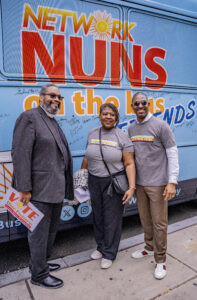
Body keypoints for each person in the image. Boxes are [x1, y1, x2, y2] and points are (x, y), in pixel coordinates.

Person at [11, 84, 74, 289]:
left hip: (55, 189)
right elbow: (20, 154)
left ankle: (40, 264)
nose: (56, 99)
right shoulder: (30, 117)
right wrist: (24, 188)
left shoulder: (51, 120)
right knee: (38, 235)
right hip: (38, 191)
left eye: (59, 97)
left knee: (50, 232)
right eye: (52, 96)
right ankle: (38, 275)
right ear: (41, 97)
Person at [128, 92, 179, 280]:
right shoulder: (131, 128)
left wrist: (171, 182)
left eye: (143, 103)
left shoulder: (161, 126)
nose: (140, 106)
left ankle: (161, 260)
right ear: (132, 106)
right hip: (140, 184)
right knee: (145, 219)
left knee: (159, 223)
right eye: (136, 104)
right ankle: (149, 248)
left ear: (149, 104)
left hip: (158, 184)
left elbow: (172, 153)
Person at [81, 103, 136, 269]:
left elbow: (129, 163)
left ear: (116, 118)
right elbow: (87, 156)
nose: (108, 117)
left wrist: (131, 187)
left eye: (111, 115)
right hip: (94, 181)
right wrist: (83, 176)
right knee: (98, 217)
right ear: (99, 116)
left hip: (113, 182)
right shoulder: (92, 133)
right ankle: (100, 246)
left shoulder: (121, 136)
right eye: (105, 114)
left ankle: (109, 253)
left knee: (112, 219)